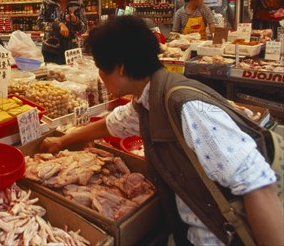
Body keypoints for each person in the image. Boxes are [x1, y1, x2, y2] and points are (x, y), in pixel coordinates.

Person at [40, 16, 282, 246]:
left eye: (101, 68)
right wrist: (62, 141)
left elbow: (257, 185)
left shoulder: (188, 108)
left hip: (216, 236)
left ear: (121, 68)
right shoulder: (151, 98)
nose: (100, 77)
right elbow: (112, 124)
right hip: (187, 231)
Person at [36, 0, 87, 64]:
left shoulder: (77, 3)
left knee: (72, 76)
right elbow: (40, 24)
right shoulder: (47, 3)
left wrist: (75, 20)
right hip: (51, 49)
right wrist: (58, 24)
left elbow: (83, 29)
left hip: (71, 50)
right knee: (53, 75)